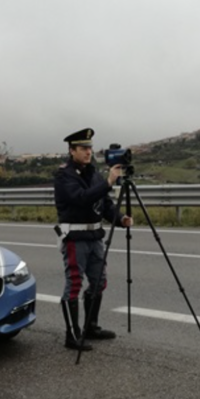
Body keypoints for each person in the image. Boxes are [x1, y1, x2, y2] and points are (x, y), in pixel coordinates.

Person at [54, 127, 134, 351]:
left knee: (99, 281)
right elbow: (81, 198)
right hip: (75, 237)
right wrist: (108, 182)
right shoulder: (64, 175)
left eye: (90, 148)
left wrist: (120, 219)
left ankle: (91, 326)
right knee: (74, 285)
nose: (88, 152)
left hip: (95, 236)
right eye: (83, 148)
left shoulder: (94, 173)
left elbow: (104, 204)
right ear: (72, 151)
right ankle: (72, 334)